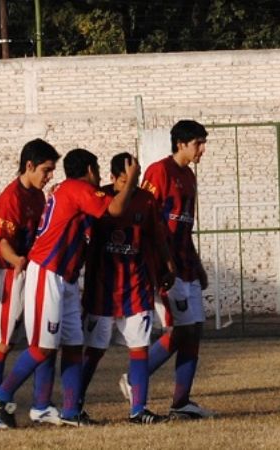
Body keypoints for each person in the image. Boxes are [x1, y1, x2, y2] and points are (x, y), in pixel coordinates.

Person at [0, 148, 139, 427]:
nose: (100, 177)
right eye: (98, 170)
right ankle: (1, 394)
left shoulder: (70, 190)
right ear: (90, 170)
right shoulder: (77, 188)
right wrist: (131, 180)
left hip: (65, 277)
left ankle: (70, 411)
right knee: (42, 347)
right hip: (48, 271)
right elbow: (115, 208)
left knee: (72, 345)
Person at [120, 120, 214, 419]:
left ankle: (181, 402)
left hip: (186, 263)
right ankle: (135, 378)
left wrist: (197, 264)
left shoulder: (189, 177)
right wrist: (158, 263)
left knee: (194, 330)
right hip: (165, 265)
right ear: (181, 144)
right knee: (181, 329)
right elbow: (145, 217)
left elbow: (185, 226)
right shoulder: (159, 172)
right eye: (198, 143)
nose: (203, 149)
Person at [79, 152, 176, 424]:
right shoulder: (99, 198)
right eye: (125, 181)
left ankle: (138, 410)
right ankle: (74, 407)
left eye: (134, 179)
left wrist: (168, 266)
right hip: (102, 290)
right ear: (112, 178)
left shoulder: (146, 201)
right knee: (94, 350)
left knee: (140, 347)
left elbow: (158, 237)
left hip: (136, 287)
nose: (130, 185)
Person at [0, 139, 61, 429]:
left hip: (35, 274)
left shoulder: (38, 196)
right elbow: (2, 242)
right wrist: (17, 261)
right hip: (11, 276)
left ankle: (42, 405)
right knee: (2, 343)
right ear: (29, 165)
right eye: (46, 170)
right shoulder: (10, 197)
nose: (49, 175)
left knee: (44, 339)